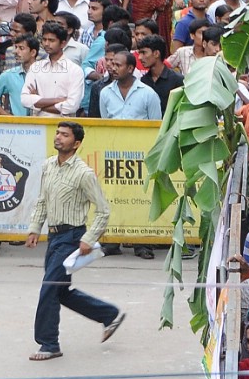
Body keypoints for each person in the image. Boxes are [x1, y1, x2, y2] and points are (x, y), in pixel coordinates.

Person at [25, 122, 125, 362]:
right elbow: (42, 200)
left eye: (65, 135)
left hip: (71, 238)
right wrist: (34, 228)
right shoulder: (48, 165)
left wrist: (89, 238)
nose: (58, 137)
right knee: (60, 291)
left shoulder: (83, 173)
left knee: (49, 288)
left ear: (77, 143)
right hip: (54, 236)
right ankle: (109, 314)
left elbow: (103, 210)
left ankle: (49, 344)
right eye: (58, 133)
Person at [99, 46, 162, 119]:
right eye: (113, 64)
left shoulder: (148, 94)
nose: (113, 69)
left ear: (130, 69)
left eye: (118, 65)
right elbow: (104, 123)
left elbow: (155, 124)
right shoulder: (105, 93)